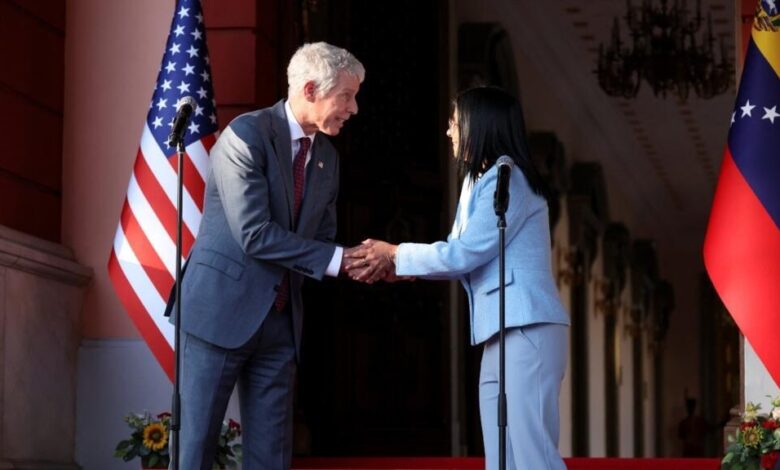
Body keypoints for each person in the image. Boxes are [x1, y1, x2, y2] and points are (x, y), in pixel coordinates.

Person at [346, 87, 570, 470]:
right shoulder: (477, 183)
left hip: (526, 327)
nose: (449, 132)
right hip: (501, 331)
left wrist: (395, 253)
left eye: (455, 122)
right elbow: (458, 253)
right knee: (501, 460)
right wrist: (402, 271)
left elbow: (465, 253)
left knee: (533, 457)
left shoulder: (508, 178)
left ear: (480, 124)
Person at [168, 42, 364, 469]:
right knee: (193, 451)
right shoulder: (246, 135)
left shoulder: (327, 158)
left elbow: (324, 237)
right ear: (310, 89)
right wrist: (340, 259)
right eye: (346, 96)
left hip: (280, 324)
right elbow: (254, 234)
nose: (353, 108)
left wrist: (363, 260)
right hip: (218, 313)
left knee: (271, 458)